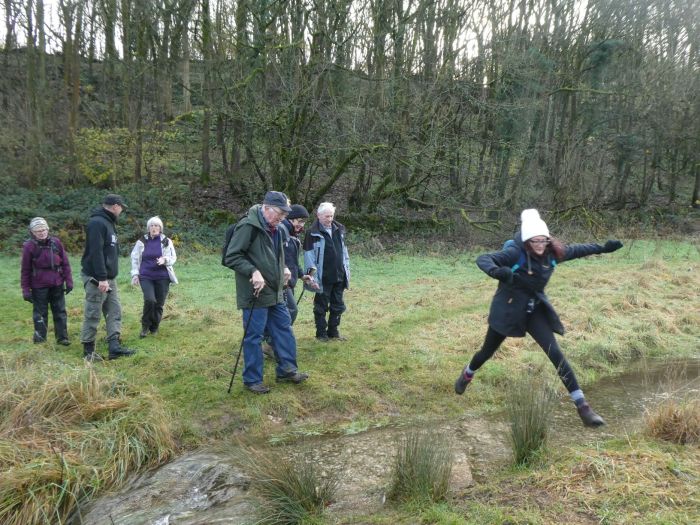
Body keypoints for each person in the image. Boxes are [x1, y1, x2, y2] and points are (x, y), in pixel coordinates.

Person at [454, 209, 624, 427]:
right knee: (486, 352)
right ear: (527, 240)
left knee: (556, 355)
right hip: (507, 309)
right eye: (535, 241)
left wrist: (603, 248)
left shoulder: (553, 252)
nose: (540, 245)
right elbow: (484, 259)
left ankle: (583, 408)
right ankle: (467, 374)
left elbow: (579, 250)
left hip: (534, 309)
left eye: (543, 240)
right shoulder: (514, 253)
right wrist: (498, 272)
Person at [223, 191, 309, 394]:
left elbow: (277, 255)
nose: (281, 218)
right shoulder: (248, 227)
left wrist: (285, 269)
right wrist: (253, 271)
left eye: (284, 215)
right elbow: (232, 256)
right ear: (266, 207)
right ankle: (252, 380)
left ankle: (287, 370)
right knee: (254, 336)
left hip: (276, 289)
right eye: (279, 213)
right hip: (256, 291)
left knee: (284, 328)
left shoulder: (277, 229)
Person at [79, 194, 136, 362]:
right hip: (97, 279)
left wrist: (109, 277)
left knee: (114, 310)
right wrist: (102, 278)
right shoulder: (97, 223)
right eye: (121, 207)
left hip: (109, 278)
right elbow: (96, 253)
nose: (121, 210)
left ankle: (114, 347)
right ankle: (88, 352)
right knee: (93, 312)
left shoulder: (109, 223)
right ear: (114, 206)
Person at [262, 204, 318, 360]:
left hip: (289, 281)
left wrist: (301, 275)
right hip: (280, 282)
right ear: (290, 219)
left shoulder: (293, 234)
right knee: (290, 312)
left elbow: (292, 261)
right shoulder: (282, 231)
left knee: (280, 313)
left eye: (303, 222)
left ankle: (268, 342)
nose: (301, 225)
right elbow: (277, 259)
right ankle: (270, 345)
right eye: (299, 221)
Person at [20, 217, 73, 345]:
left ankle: (62, 338)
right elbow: (25, 270)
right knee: (40, 313)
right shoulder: (29, 246)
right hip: (39, 285)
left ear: (48, 229)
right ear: (32, 232)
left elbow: (65, 263)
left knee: (60, 312)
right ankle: (40, 340)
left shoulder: (56, 242)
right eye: (38, 231)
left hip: (57, 283)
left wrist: (69, 281)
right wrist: (26, 290)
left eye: (44, 229)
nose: (42, 232)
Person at [303, 202, 350, 341]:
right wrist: (312, 278)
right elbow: (308, 257)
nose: (329, 219)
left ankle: (333, 332)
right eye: (326, 216)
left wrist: (347, 271)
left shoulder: (340, 229)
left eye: (331, 216)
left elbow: (345, 253)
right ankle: (321, 334)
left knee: (338, 306)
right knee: (320, 307)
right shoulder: (312, 233)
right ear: (318, 216)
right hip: (322, 278)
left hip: (339, 275)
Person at [130, 216, 178, 338]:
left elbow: (173, 258)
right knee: (150, 300)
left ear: (160, 228)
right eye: (151, 226)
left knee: (159, 304)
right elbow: (135, 258)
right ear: (148, 228)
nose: (154, 228)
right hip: (146, 276)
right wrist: (135, 274)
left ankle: (154, 327)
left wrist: (164, 259)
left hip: (162, 276)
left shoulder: (166, 241)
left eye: (156, 226)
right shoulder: (142, 241)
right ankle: (145, 326)